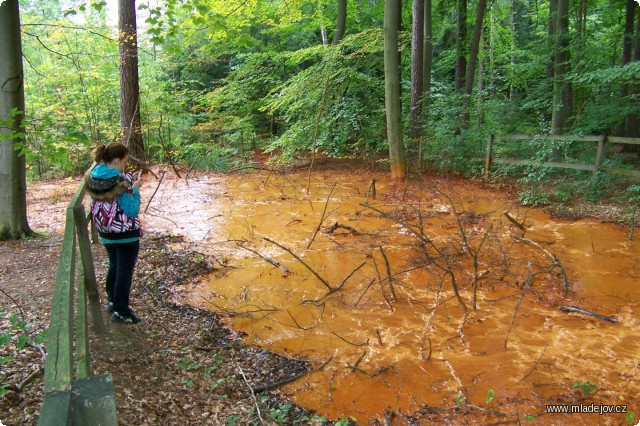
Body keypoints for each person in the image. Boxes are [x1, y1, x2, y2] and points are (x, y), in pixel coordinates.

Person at [85, 142, 144, 324]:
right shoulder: (120, 180)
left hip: (105, 231)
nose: (124, 166)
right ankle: (121, 311)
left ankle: (112, 301)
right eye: (124, 162)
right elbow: (132, 209)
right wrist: (135, 188)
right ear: (117, 160)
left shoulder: (94, 176)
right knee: (124, 271)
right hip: (125, 232)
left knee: (114, 265)